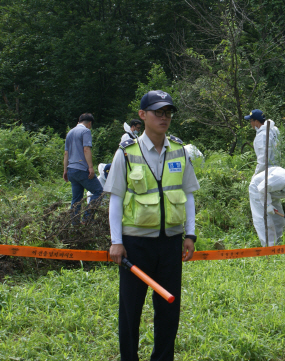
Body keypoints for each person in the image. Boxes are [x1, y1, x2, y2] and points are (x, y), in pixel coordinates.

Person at [104, 90, 199, 361]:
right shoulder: (126, 153)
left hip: (170, 243)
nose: (164, 117)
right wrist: (116, 241)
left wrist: (190, 234)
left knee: (169, 309)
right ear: (142, 116)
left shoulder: (180, 150)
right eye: (158, 112)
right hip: (135, 245)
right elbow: (116, 198)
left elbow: (189, 193)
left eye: (168, 112)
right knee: (131, 310)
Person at [63, 113, 103, 224]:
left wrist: (65, 170)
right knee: (98, 191)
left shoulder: (70, 132)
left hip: (71, 170)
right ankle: (87, 219)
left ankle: (75, 224)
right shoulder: (86, 131)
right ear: (89, 123)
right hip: (81, 169)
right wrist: (90, 167)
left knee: (76, 198)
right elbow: (86, 149)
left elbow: (66, 153)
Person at [244, 109, 280, 175]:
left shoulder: (261, 136)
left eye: (251, 121)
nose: (250, 123)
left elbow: (263, 161)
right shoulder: (273, 129)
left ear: (256, 121)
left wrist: (256, 175)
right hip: (279, 169)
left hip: (268, 172)